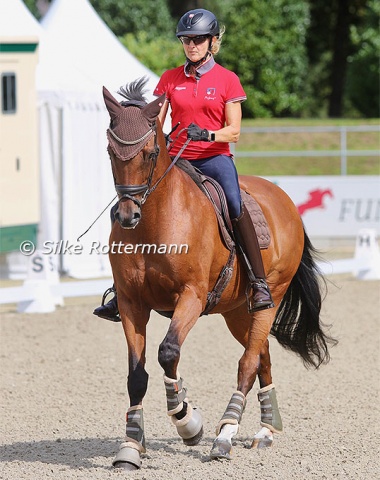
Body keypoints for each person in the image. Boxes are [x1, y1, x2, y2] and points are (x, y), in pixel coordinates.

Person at [93, 8, 273, 322]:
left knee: (234, 203)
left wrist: (208, 133)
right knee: (123, 208)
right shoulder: (170, 79)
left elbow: (235, 130)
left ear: (212, 41)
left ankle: (258, 283)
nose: (192, 45)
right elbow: (156, 124)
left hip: (214, 158)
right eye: (187, 40)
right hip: (177, 158)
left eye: (198, 39)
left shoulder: (227, 80)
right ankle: (119, 288)